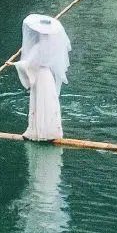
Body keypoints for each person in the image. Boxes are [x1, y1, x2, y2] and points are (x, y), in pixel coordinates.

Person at [15, 13, 71, 141]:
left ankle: (38, 131)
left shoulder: (38, 47)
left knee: (39, 101)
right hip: (48, 77)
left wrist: (14, 64)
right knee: (49, 101)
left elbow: (28, 64)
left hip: (40, 76)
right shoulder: (52, 47)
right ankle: (49, 131)